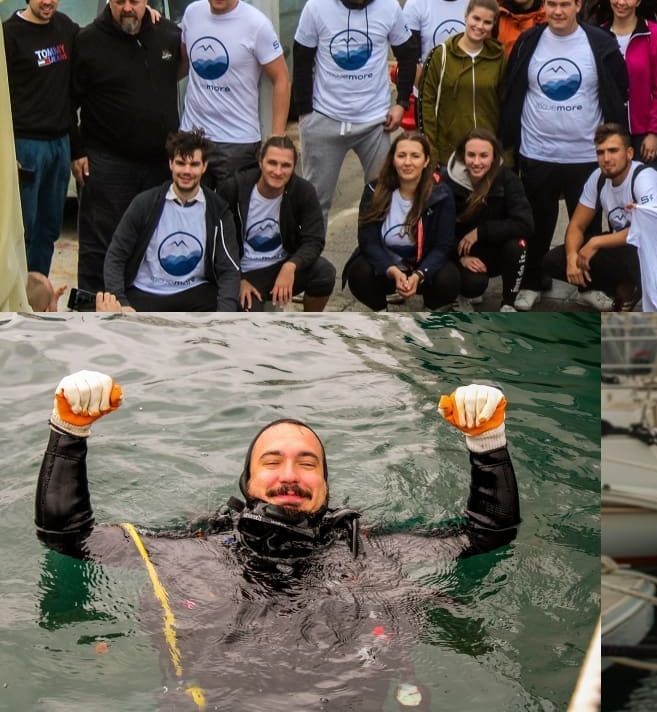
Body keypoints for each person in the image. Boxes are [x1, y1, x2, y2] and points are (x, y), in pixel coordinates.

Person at [35, 370, 519, 709]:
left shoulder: (373, 549)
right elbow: (70, 537)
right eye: (272, 462)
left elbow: (485, 537)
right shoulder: (189, 548)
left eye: (308, 464)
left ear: (327, 489)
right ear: (247, 484)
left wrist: (488, 447)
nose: (291, 474)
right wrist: (68, 433)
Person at [499, 0, 629, 311]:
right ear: (544, 5)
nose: (557, 11)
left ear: (579, 3)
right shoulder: (530, 41)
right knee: (537, 224)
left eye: (564, 5)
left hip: (586, 155)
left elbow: (619, 89)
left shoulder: (599, 42)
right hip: (537, 151)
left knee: (588, 227)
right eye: (551, 4)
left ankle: (588, 285)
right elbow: (513, 89)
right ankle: (530, 283)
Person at [70, 0, 182, 293]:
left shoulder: (168, 35)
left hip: (158, 164)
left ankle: (138, 307)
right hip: (107, 164)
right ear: (110, 1)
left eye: (134, 0)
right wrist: (77, 151)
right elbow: (68, 101)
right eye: (120, 1)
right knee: (100, 246)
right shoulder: (88, 41)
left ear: (147, 0)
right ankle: (91, 309)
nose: (127, 8)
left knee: (151, 242)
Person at [293, 0, 418, 223]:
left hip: (374, 123)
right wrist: (304, 112)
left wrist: (401, 103)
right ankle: (310, 265)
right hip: (324, 119)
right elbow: (301, 58)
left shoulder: (388, 7)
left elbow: (408, 55)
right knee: (315, 205)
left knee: (382, 201)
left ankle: (374, 264)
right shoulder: (317, 7)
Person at [179, 0, 290, 188]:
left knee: (233, 217)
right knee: (191, 213)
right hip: (192, 135)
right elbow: (182, 63)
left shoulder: (256, 24)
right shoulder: (192, 13)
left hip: (237, 142)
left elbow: (281, 78)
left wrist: (277, 137)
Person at [102, 129, 240, 312]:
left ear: (204, 166)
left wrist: (225, 316)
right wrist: (120, 302)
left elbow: (229, 269)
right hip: (146, 293)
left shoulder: (218, 210)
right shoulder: (145, 203)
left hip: (194, 293)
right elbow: (116, 256)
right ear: (170, 164)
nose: (187, 171)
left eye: (194, 164)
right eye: (180, 163)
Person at [544, 124, 657, 312]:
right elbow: (577, 225)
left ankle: (634, 286)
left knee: (633, 253)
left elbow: (648, 229)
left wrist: (596, 242)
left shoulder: (644, 179)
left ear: (629, 153)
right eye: (600, 153)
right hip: (623, 246)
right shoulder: (598, 178)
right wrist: (572, 256)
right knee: (554, 261)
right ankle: (618, 286)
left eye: (613, 151)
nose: (606, 159)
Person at [4, 0, 77, 276]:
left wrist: (149, 16)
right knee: (24, 228)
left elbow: (99, 37)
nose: (48, 0)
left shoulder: (64, 27)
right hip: (25, 146)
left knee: (49, 227)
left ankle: (39, 290)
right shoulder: (9, 35)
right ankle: (15, 297)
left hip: (59, 145)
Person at [343, 131, 458, 311]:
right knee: (358, 272)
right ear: (393, 159)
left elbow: (442, 246)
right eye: (401, 155)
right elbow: (368, 241)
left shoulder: (441, 194)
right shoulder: (374, 190)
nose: (407, 162)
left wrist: (419, 275)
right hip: (388, 270)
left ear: (426, 161)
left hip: (422, 270)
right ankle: (382, 312)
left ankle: (429, 312)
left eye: (415, 156)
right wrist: (392, 271)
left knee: (449, 277)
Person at [217, 136, 335, 312]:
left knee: (324, 272)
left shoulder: (303, 191)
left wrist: (291, 265)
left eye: (286, 165)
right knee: (250, 324)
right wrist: (238, 278)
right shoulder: (233, 189)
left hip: (281, 266)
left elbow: (314, 239)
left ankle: (310, 326)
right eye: (272, 163)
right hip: (244, 273)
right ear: (260, 163)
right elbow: (217, 242)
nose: (278, 171)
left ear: (294, 168)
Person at [444, 129, 534, 311]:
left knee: (518, 245)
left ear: (494, 157)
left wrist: (481, 232)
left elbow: (525, 224)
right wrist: (460, 257)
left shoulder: (507, 179)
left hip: (494, 249)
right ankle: (460, 295)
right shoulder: (447, 181)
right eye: (471, 155)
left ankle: (508, 303)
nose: (477, 162)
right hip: (462, 253)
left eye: (484, 156)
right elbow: (438, 230)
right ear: (462, 156)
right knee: (473, 284)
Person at [592, 0, 657, 170]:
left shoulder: (654, 34)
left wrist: (654, 132)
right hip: (609, 131)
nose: (622, 2)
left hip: (644, 133)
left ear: (638, 1)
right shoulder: (598, 35)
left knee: (645, 191)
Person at [420, 0, 506, 167]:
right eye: (476, 18)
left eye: (487, 22)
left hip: (486, 156)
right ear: (466, 16)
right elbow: (426, 105)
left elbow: (505, 106)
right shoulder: (440, 55)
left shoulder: (499, 58)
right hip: (450, 156)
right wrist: (432, 154)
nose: (480, 26)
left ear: (493, 25)